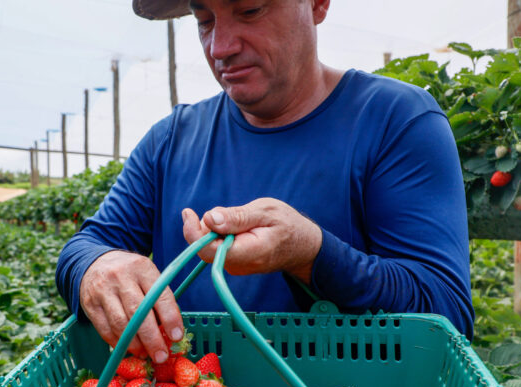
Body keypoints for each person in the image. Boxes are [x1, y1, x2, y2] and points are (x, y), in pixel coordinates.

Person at [55, 0, 473, 365]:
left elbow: (447, 315)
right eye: (204, 20)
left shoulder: (395, 121)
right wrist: (96, 267)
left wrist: (312, 254)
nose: (220, 47)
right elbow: (85, 247)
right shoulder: (171, 139)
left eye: (250, 10)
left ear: (317, 3)